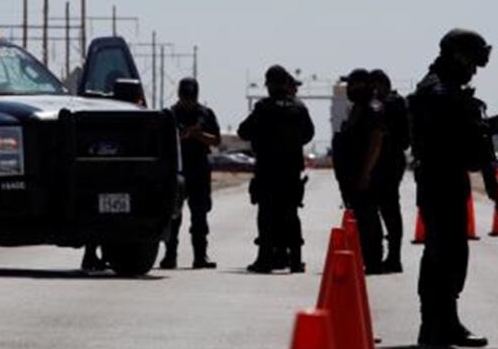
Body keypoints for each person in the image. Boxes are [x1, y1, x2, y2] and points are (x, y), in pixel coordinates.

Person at [408, 29, 498, 348]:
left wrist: (493, 123)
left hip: (448, 179)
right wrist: (484, 124)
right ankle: (434, 325)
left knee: (452, 253)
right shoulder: (436, 92)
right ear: (457, 56)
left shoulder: (449, 92)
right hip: (438, 179)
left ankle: (446, 321)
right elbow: (456, 135)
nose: (473, 71)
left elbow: (469, 132)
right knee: (442, 253)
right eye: (471, 62)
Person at [238, 65, 315, 274]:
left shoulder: (263, 107)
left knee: (267, 216)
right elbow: (308, 134)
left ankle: (265, 259)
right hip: (290, 172)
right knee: (291, 214)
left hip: (268, 171)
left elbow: (243, 131)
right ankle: (295, 260)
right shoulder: (299, 108)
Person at [161, 77, 221, 270]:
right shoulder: (171, 114)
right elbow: (162, 140)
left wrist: (197, 135)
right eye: (185, 97)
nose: (188, 101)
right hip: (177, 170)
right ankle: (170, 256)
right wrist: (181, 135)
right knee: (173, 216)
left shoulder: (205, 113)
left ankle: (200, 256)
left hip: (199, 170)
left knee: (200, 217)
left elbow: (216, 140)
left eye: (191, 97)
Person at [333, 69, 387, 274]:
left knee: (369, 217)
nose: (348, 89)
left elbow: (376, 141)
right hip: (354, 173)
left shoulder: (372, 108)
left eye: (351, 85)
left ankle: (373, 261)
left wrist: (365, 172)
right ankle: (368, 258)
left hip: (366, 174)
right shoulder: (358, 108)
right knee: (362, 217)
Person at [370, 69, 410, 274]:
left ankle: (392, 256)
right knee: (388, 209)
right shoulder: (394, 102)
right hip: (389, 161)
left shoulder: (390, 103)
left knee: (388, 209)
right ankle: (391, 255)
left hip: (387, 162)